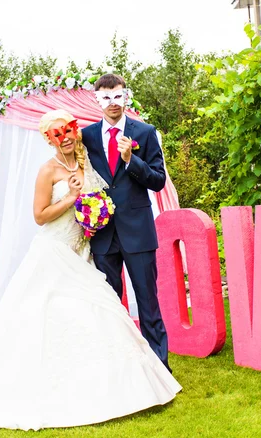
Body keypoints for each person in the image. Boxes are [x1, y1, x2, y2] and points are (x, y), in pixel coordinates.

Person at [0, 109, 181, 431]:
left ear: (76, 131)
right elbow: (40, 216)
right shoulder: (47, 171)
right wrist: (72, 197)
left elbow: (108, 192)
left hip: (84, 251)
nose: (65, 136)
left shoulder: (88, 164)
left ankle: (108, 383)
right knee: (52, 315)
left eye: (69, 129)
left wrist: (97, 213)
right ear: (48, 139)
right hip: (55, 251)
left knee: (98, 313)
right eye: (57, 133)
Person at [82, 74, 171, 371]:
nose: (112, 103)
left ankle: (160, 369)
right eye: (106, 98)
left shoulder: (144, 133)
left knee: (148, 303)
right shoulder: (87, 136)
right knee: (109, 305)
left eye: (117, 96)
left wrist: (132, 160)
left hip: (138, 232)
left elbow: (158, 181)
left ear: (125, 97)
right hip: (103, 233)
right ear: (97, 100)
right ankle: (119, 367)